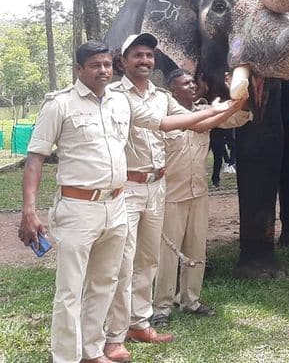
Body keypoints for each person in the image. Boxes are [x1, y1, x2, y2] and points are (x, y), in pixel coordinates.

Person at [18, 41, 240, 363]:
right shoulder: (60, 104)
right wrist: (29, 209)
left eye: (106, 64)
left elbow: (164, 123)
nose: (103, 70)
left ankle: (93, 352)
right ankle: (66, 357)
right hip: (79, 207)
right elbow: (35, 157)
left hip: (117, 203)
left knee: (104, 281)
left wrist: (227, 106)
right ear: (79, 69)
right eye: (95, 65)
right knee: (70, 289)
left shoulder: (120, 104)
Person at [104, 33, 244, 362]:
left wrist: (232, 106)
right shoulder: (113, 95)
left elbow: (193, 125)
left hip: (157, 186)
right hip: (126, 186)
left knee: (148, 259)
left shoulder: (160, 96)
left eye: (149, 55)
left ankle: (140, 322)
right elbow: (168, 124)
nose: (145, 60)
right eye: (137, 55)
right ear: (122, 61)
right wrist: (222, 107)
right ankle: (115, 329)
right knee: (123, 261)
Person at [152, 70, 251, 328]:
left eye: (193, 81)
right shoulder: (167, 112)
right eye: (185, 83)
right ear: (172, 89)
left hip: (198, 191)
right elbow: (204, 122)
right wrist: (224, 107)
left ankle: (190, 300)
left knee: (197, 248)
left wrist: (236, 94)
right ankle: (161, 306)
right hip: (172, 193)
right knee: (169, 252)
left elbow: (238, 118)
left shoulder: (206, 108)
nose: (192, 85)